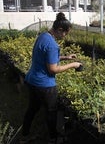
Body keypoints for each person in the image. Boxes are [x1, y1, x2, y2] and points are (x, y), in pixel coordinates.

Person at [20, 12, 82, 144]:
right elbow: (53, 69)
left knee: (32, 109)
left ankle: (24, 136)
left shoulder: (43, 36)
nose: (65, 36)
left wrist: (65, 57)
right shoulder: (53, 45)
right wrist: (73, 65)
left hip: (32, 81)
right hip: (45, 85)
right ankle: (53, 139)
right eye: (65, 33)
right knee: (51, 112)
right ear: (60, 30)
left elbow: (45, 57)